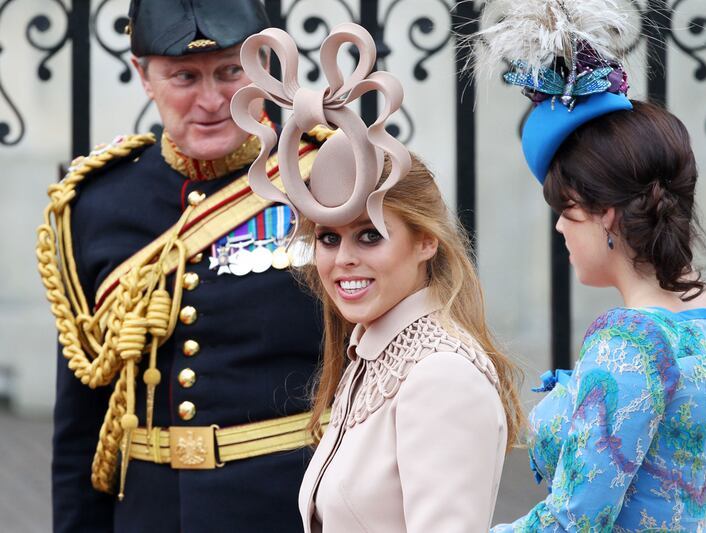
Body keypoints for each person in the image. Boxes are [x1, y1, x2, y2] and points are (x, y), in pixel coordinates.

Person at [36, 1, 327, 531]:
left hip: (292, 507)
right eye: (184, 77)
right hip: (150, 512)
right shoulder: (96, 204)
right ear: (142, 75)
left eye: (231, 71)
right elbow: (82, 424)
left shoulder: (324, 179)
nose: (212, 100)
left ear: (265, 64)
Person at [474, 1, 706, 531]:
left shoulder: (633, 344)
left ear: (606, 215)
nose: (559, 228)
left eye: (567, 212)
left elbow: (573, 523)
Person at [230, 23, 524, 532]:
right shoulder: (374, 353)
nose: (343, 258)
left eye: (369, 236)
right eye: (327, 237)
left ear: (426, 240)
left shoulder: (439, 375)